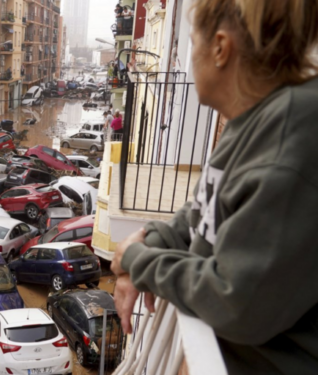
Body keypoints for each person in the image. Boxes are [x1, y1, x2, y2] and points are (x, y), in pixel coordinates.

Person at [110, 0, 318, 373]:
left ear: (220, 48)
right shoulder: (251, 120)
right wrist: (147, 245)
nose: (190, 56)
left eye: (192, 42)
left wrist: (138, 261)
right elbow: (200, 212)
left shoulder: (291, 136)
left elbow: (238, 302)